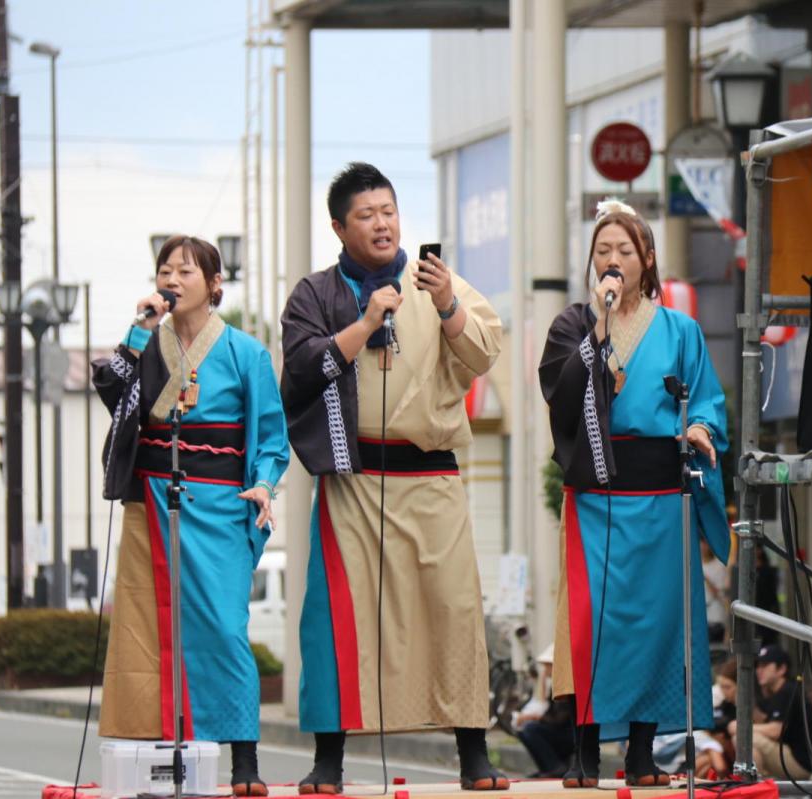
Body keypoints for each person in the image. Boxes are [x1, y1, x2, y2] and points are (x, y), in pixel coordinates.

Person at [279, 163, 504, 793]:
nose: (381, 224)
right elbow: (299, 370)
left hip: (429, 473)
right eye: (366, 215)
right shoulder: (315, 295)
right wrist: (365, 320)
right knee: (337, 619)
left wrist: (446, 304)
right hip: (352, 478)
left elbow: (485, 353)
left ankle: (474, 753)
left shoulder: (437, 280)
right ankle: (328, 761)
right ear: (339, 227)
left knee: (455, 610)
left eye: (389, 211)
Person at [538, 200, 730, 788]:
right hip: (596, 492)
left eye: (624, 251)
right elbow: (562, 396)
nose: (613, 261)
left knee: (656, 625)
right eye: (603, 253)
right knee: (592, 623)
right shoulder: (574, 324)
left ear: (648, 259)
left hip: (659, 495)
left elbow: (705, 398)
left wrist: (700, 426)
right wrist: (598, 327)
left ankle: (643, 753)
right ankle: (585, 751)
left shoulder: (681, 330)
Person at [93, 235, 290, 797]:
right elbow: (115, 393)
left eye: (186, 270)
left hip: (222, 503)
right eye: (165, 270)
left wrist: (261, 483)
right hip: (151, 500)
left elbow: (272, 434)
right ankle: (161, 751)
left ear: (215, 284)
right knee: (152, 628)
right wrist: (136, 334)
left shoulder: (245, 352)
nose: (173, 280)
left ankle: (245, 759)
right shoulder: (146, 344)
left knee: (226, 628)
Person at [727, 644, 812, 780]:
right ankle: (757, 783)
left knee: (742, 738)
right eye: (758, 666)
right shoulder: (777, 691)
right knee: (747, 740)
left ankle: (755, 785)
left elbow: (776, 730)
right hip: (791, 757)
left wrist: (741, 727)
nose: (759, 670)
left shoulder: (787, 691)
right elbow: (765, 721)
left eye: (765, 665)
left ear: (781, 669)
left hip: (799, 764)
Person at [515, 645, 575, 779]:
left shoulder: (565, 686)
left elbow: (559, 719)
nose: (546, 669)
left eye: (548, 665)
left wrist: (534, 718)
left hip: (569, 735)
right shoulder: (557, 685)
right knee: (524, 730)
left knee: (530, 729)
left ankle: (554, 766)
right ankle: (547, 768)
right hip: (562, 732)